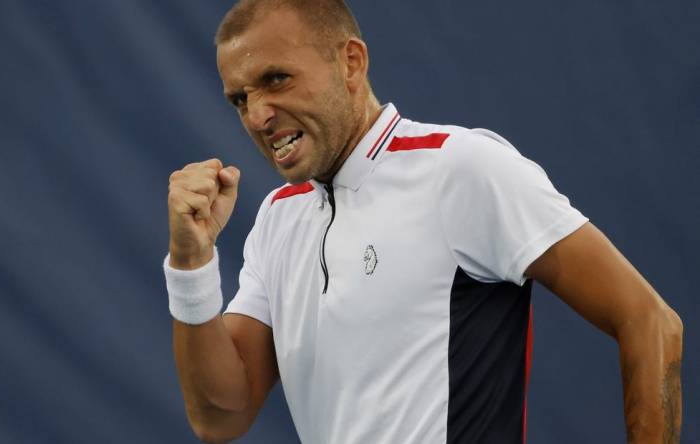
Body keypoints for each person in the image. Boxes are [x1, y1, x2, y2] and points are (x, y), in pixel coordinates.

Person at [163, 1, 683, 442]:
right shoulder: (278, 218)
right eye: (240, 99)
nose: (257, 116)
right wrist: (192, 264)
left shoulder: (460, 167)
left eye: (275, 79)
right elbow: (220, 414)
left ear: (350, 63)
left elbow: (648, 320)